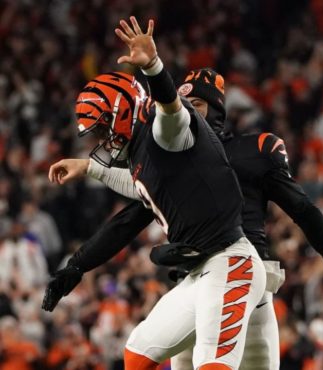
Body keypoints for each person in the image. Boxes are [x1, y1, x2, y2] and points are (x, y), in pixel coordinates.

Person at [43, 67, 323, 370]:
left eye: (197, 105)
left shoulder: (244, 148)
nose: (189, 110)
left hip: (239, 269)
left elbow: (301, 208)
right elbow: (128, 216)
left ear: (217, 108)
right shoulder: (164, 159)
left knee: (213, 362)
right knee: (140, 351)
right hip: (195, 275)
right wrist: (77, 263)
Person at [43, 17, 267, 370]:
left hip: (231, 262)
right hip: (201, 270)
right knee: (138, 353)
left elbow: (172, 111)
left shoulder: (162, 130)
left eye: (103, 127)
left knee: (212, 364)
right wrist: (89, 168)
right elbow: (141, 189)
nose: (103, 139)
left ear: (121, 112)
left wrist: (153, 66)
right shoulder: (145, 154)